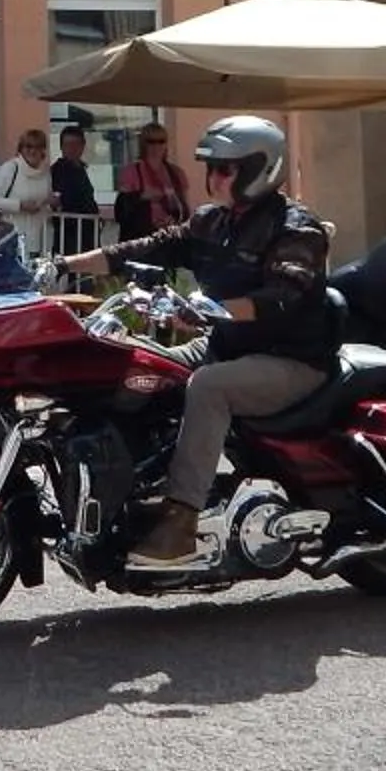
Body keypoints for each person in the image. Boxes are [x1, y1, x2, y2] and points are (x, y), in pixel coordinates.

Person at [59, 116, 334, 573]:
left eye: (225, 169)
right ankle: (133, 491)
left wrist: (208, 310)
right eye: (212, 168)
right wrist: (62, 264)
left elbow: (284, 296)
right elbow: (146, 248)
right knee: (133, 363)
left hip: (290, 361)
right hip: (226, 346)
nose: (214, 178)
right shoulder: (212, 222)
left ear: (258, 170)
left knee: (208, 387)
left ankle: (181, 522)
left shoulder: (295, 228)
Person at [0, 127, 57, 252]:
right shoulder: (10, 168)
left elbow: (44, 204)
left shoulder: (45, 173)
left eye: (38, 147)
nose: (33, 151)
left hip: (38, 239)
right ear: (21, 149)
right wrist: (20, 205)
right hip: (11, 237)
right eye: (28, 147)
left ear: (43, 150)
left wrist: (51, 202)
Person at [114, 122, 191, 243]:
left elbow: (184, 208)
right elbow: (121, 210)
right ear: (143, 144)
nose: (156, 146)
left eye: (161, 141)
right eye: (151, 141)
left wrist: (175, 219)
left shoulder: (177, 173)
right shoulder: (131, 172)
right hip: (140, 239)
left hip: (170, 237)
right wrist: (142, 196)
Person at [49, 123, 102, 257]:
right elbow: (62, 200)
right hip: (70, 234)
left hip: (88, 233)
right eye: (68, 144)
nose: (72, 148)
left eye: (76, 144)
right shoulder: (58, 170)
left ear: (83, 146)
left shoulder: (81, 169)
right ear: (61, 147)